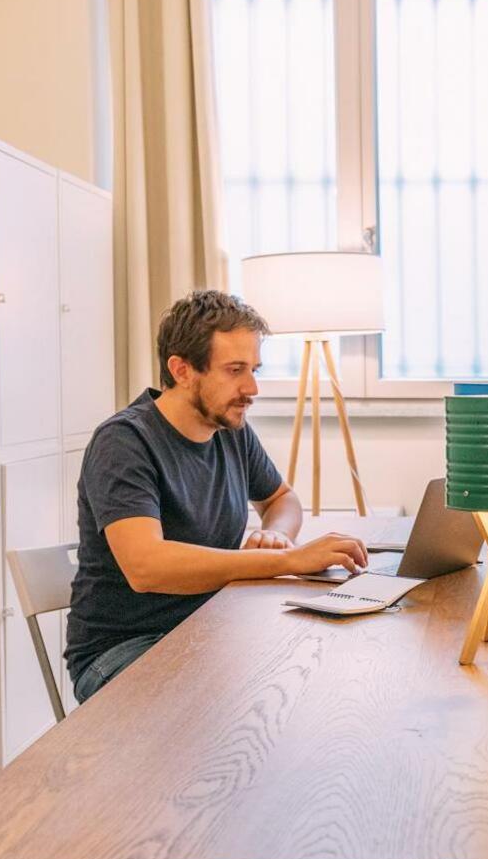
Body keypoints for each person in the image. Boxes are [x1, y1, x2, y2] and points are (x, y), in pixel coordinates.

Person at [64, 289, 368, 704]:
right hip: (124, 651)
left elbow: (282, 498)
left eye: (254, 369)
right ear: (182, 369)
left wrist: (277, 534)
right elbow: (145, 566)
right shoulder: (124, 442)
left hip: (212, 628)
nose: (252, 387)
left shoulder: (232, 431)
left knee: (318, 673)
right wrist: (284, 560)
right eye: (235, 370)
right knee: (262, 702)